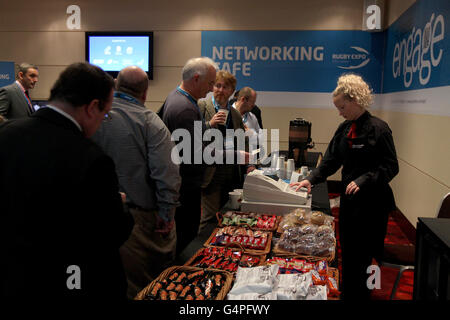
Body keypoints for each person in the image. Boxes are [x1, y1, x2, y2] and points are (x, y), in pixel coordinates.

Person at [0, 62, 134, 298]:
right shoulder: (91, 159)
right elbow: (108, 234)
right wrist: (119, 205)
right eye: (105, 115)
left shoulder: (7, 133)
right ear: (93, 107)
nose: (102, 122)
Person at [291, 74, 399, 300]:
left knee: (371, 255)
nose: (339, 112)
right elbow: (330, 161)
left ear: (356, 100)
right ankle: (350, 291)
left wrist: (364, 180)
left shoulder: (380, 129)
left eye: (342, 107)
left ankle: (371, 292)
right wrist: (310, 179)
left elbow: (391, 166)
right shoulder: (343, 129)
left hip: (374, 204)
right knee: (348, 251)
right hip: (350, 204)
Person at [91, 66, 181, 299]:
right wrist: (167, 212)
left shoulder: (94, 116)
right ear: (145, 92)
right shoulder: (151, 123)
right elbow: (166, 172)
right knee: (142, 286)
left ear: (116, 85)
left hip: (96, 215)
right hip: (137, 222)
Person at [159, 57, 249, 255]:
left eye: (223, 86)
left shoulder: (181, 99)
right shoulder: (188, 107)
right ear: (197, 79)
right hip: (193, 179)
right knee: (194, 229)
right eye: (212, 84)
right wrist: (234, 154)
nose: (213, 89)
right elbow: (195, 152)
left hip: (217, 173)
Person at [198, 70, 247, 233]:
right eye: (217, 85)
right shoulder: (202, 107)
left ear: (232, 91)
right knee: (209, 217)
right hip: (210, 172)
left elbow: (242, 141)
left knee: (229, 214)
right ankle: (201, 251)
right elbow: (191, 135)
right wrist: (209, 124)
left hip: (231, 172)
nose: (220, 89)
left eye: (225, 87)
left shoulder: (235, 114)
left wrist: (249, 164)